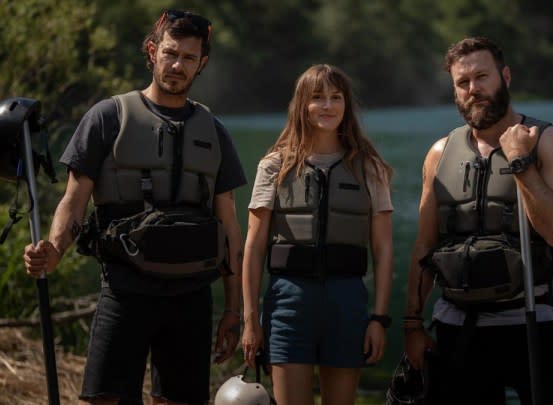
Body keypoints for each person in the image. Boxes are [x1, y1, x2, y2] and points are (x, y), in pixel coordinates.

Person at [23, 10, 246, 405]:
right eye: (171, 53)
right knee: (105, 399)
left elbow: (228, 224)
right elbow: (73, 201)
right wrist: (53, 250)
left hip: (192, 295)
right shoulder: (107, 118)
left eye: (189, 58)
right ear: (152, 50)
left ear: (202, 64)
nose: (178, 65)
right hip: (126, 289)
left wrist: (233, 308)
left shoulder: (215, 132)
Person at [402, 36, 553, 404]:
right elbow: (424, 245)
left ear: (505, 76)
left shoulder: (549, 141)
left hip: (529, 323)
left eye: (482, 77)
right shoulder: (439, 153)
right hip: (457, 328)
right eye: (462, 83)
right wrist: (412, 325)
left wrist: (520, 164)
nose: (473, 89)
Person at [240, 64, 394, 405]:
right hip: (289, 303)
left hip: (347, 301)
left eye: (336, 97)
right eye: (318, 97)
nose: (328, 106)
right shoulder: (274, 166)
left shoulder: (369, 167)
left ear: (347, 105)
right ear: (301, 106)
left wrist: (379, 319)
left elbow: (383, 249)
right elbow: (253, 246)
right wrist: (250, 320)